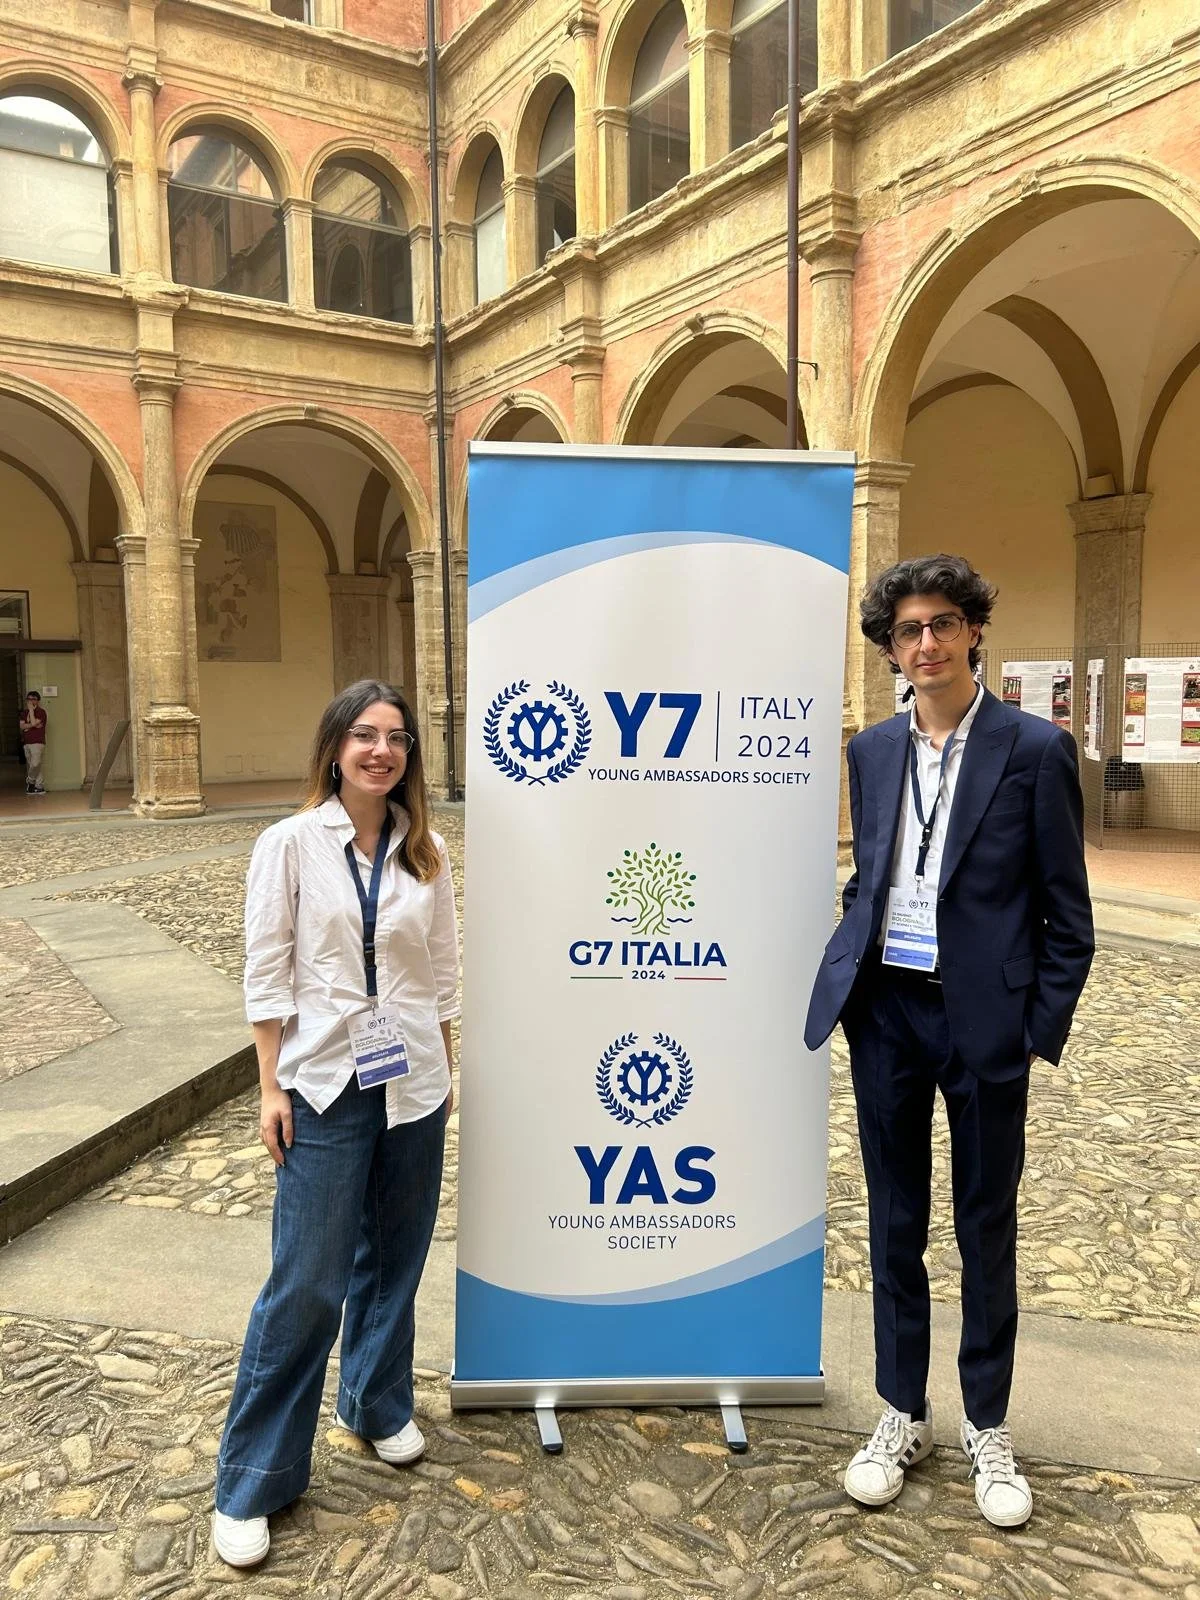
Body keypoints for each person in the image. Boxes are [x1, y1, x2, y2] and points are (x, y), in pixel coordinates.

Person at [805, 555, 1093, 1528]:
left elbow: (1069, 917)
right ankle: (900, 1409)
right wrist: (850, 961)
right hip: (889, 1013)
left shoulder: (1034, 749)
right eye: (907, 630)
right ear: (891, 646)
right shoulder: (875, 750)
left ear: (973, 630)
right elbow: (874, 875)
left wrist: (1028, 1031)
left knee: (985, 1230)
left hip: (984, 1026)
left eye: (941, 624)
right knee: (894, 1226)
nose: (924, 643)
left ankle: (987, 1422)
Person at [213, 679, 458, 1568]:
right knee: (308, 1279)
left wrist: (442, 1060)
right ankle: (253, 1477)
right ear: (335, 747)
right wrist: (269, 1086)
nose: (381, 751)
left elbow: (438, 966)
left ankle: (375, 1400)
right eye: (364, 735)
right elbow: (266, 968)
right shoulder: (287, 844)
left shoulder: (422, 849)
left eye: (396, 738)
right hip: (319, 1081)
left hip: (412, 1084)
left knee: (395, 1259)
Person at [19, 690, 47, 795]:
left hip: (37, 742)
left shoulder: (41, 712)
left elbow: (34, 723)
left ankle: (30, 782)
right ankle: (38, 787)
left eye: (33, 699)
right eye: (29, 699)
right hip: (27, 742)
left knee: (36, 764)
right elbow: (22, 726)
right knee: (34, 765)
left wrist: (31, 711)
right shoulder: (23, 713)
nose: (31, 701)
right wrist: (32, 725)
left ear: (38, 701)